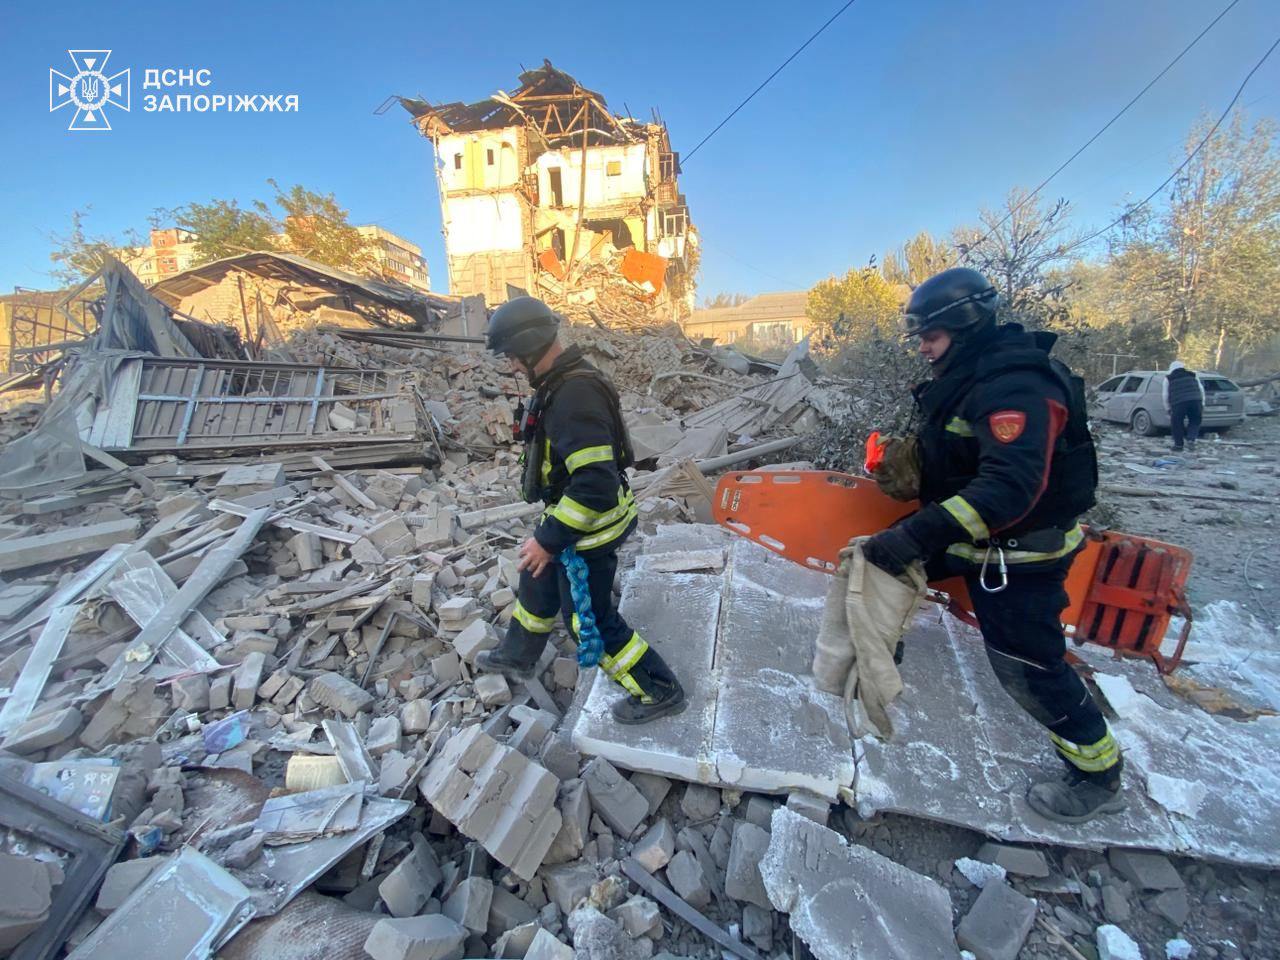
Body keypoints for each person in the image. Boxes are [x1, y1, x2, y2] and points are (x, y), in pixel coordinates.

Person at [862, 267, 1124, 823]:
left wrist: (918, 532)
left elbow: (1009, 487)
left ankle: (1097, 774)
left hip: (1019, 553)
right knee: (883, 563)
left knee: (1026, 668)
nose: (923, 349)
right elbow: (962, 457)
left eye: (930, 337)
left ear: (965, 324)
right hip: (973, 535)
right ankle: (882, 654)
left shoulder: (1016, 386)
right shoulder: (968, 375)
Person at [475, 296, 686, 724]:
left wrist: (551, 538)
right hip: (570, 515)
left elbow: (595, 485)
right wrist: (545, 541)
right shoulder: (562, 382)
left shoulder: (573, 396)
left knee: (588, 622)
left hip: (591, 531)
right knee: (536, 574)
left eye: (514, 356)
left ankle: (658, 689)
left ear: (532, 346)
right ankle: (519, 654)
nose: (512, 366)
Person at [1163, 360, 1204, 452]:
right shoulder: (1192, 375)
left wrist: (1168, 408)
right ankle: (1191, 438)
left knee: (1177, 423)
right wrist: (1202, 403)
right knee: (1195, 420)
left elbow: (1165, 395)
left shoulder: (1169, 378)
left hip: (1178, 402)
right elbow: (1201, 389)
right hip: (1195, 400)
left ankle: (1178, 445)